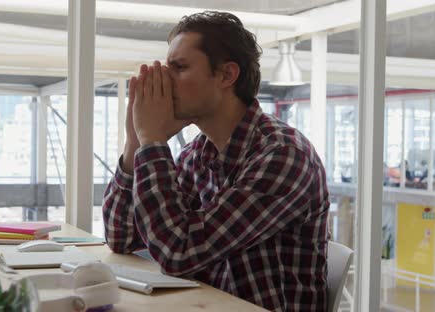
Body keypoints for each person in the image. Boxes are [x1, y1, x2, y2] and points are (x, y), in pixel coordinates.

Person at [102, 11, 329, 311]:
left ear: (226, 75)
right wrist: (135, 143)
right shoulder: (198, 153)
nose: (166, 82)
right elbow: (122, 237)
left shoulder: (283, 155)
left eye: (179, 68)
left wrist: (154, 142)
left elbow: (178, 253)